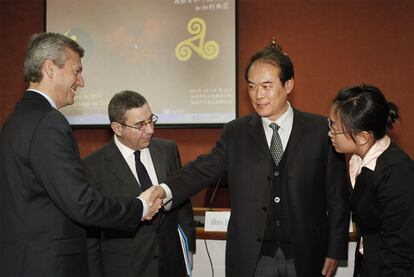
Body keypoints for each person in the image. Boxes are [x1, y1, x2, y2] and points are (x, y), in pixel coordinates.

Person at [152, 42, 351, 276]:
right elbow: (203, 168)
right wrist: (165, 190)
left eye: (267, 86)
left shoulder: (320, 130)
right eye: (252, 87)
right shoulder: (236, 132)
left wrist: (335, 249)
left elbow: (338, 195)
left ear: (288, 85)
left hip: (307, 254)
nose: (258, 95)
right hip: (253, 258)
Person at [0, 32, 161, 276]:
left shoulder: (15, 120)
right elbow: (82, 204)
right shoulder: (48, 122)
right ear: (50, 68)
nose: (81, 81)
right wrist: (140, 207)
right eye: (76, 71)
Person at [84, 90, 196, 277]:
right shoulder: (93, 166)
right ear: (117, 128)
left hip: (171, 264)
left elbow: (182, 203)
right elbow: (92, 234)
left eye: (151, 120)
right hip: (126, 268)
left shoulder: (167, 150)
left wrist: (188, 248)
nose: (150, 130)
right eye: (140, 125)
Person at [328, 84, 414, 276]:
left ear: (362, 137)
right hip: (368, 263)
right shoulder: (359, 159)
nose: (330, 133)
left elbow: (398, 254)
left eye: (335, 127)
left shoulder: (397, 175)